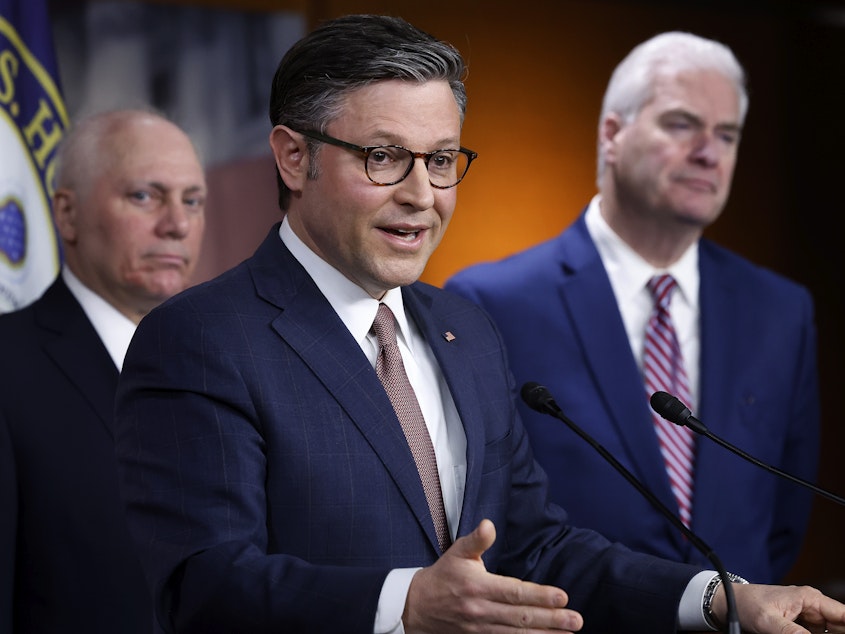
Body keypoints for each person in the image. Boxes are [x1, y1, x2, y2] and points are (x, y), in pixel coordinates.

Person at [112, 16, 841, 634]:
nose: (422, 195)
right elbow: (203, 585)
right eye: (384, 157)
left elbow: (537, 548)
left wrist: (723, 598)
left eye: (438, 160)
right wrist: (403, 603)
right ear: (292, 157)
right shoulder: (201, 341)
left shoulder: (464, 329)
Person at [445, 31, 819, 585]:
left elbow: (785, 517)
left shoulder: (781, 310)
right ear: (612, 134)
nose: (708, 152)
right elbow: (487, 515)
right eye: (681, 124)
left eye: (727, 134)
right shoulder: (489, 302)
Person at [0, 108, 207, 633]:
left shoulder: (226, 365)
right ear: (66, 215)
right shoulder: (8, 366)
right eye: (144, 195)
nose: (177, 225)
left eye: (192, 201)